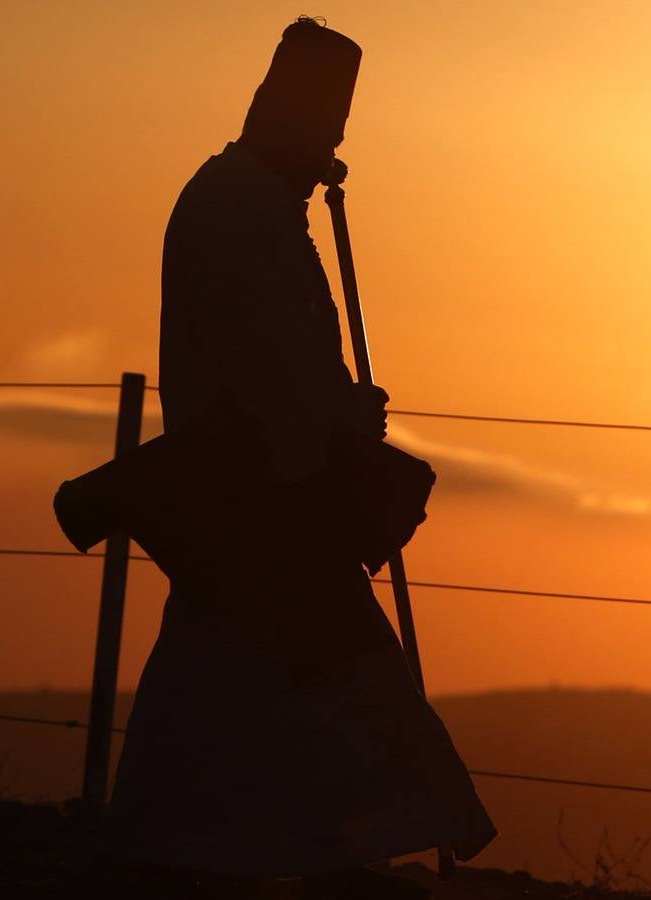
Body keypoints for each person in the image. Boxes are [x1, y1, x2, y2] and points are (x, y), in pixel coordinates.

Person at [99, 16, 496, 899]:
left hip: (262, 479)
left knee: (225, 667)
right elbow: (270, 365)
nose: (333, 146)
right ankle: (324, 851)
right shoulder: (242, 209)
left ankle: (187, 848)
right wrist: (341, 422)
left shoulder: (245, 199)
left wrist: (335, 414)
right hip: (265, 485)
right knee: (322, 667)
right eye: (326, 125)